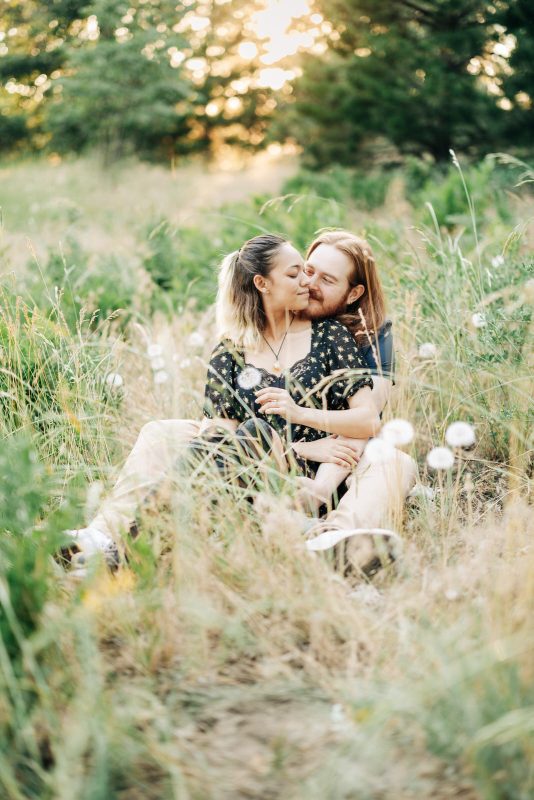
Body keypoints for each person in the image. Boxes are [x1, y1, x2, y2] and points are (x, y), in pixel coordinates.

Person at [68, 232, 416, 573]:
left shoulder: (351, 335)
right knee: (164, 433)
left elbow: (368, 420)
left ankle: (332, 540)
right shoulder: (232, 347)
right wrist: (299, 449)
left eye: (325, 279)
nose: (309, 283)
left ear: (352, 293)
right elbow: (222, 438)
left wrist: (302, 423)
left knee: (396, 463)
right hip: (260, 460)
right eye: (304, 271)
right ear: (263, 284)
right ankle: (105, 535)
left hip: (336, 461)